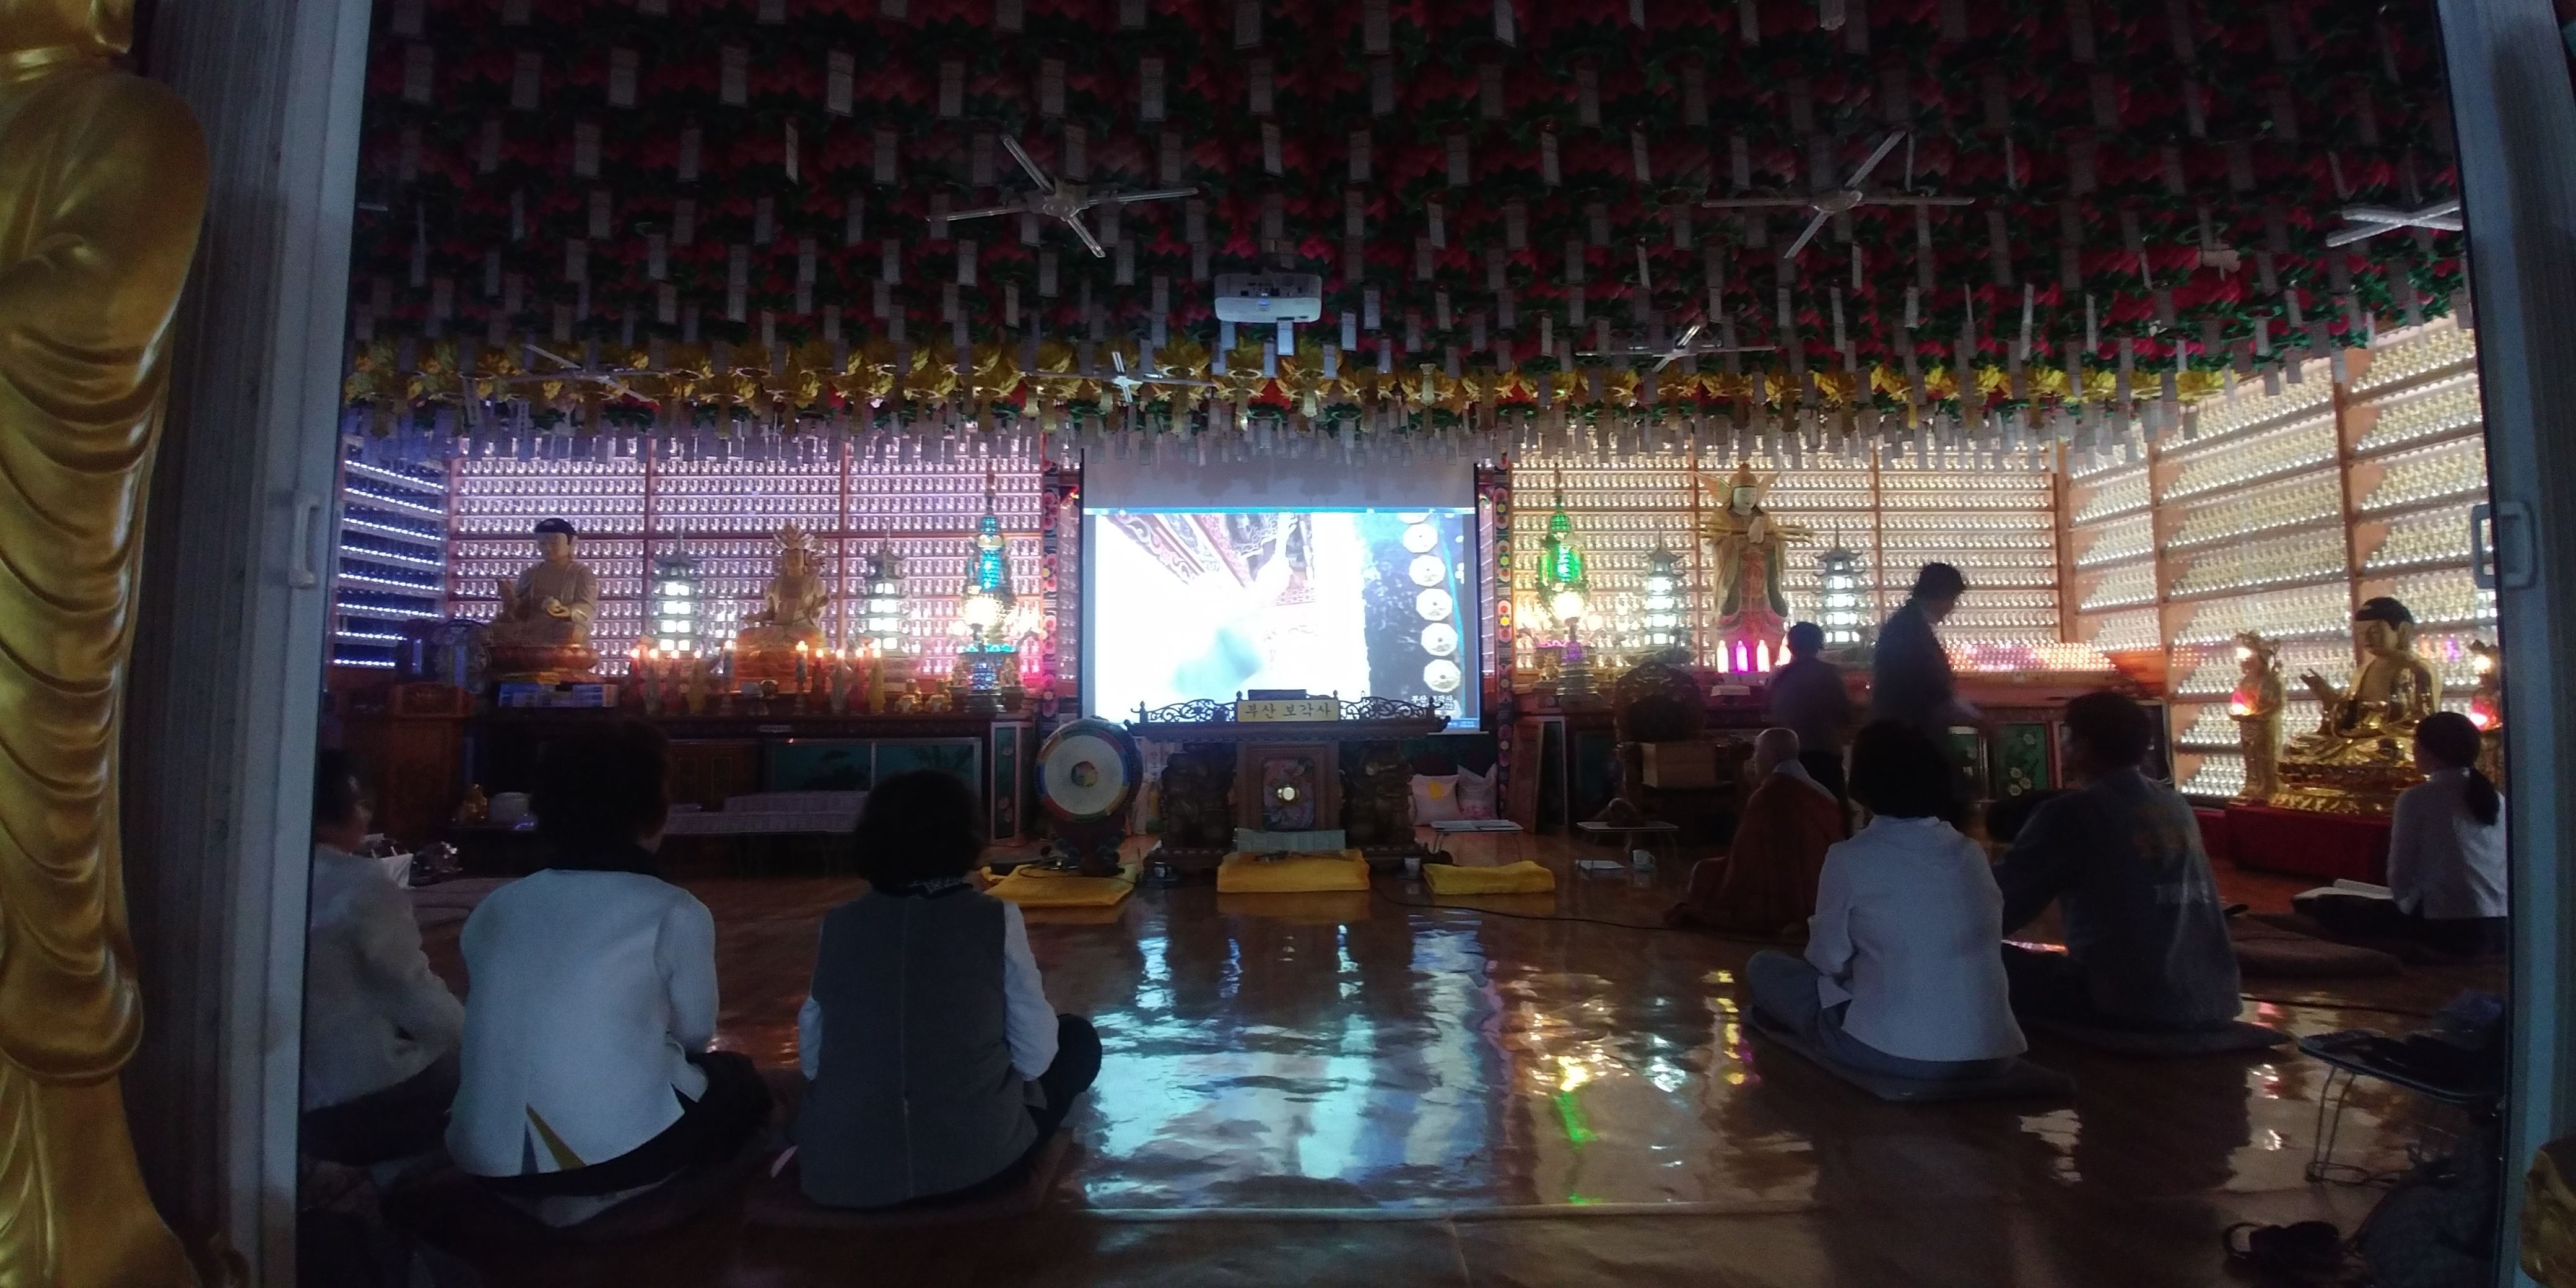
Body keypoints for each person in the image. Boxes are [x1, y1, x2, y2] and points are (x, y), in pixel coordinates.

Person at [446, 722, 771, 1229]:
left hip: (480, 1157)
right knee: (742, 1086)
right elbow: (695, 1035)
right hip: (615, 1154)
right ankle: (621, 1198)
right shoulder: (673, 909)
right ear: (654, 812)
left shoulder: (496, 906)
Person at [791, 770, 1102, 1209]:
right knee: (1076, 1039)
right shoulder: (993, 918)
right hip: (976, 1166)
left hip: (841, 1173)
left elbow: (812, 1061)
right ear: (966, 837)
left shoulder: (840, 923)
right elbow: (1036, 1056)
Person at [1743, 721, 2027, 1081]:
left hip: (1892, 1049)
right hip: (1994, 1051)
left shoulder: (1850, 858)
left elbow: (1826, 960)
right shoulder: (1970, 852)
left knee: (1763, 967)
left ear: (1861, 783)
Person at [1992, 691, 2242, 1032]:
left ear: (2083, 746)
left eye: (2066, 734)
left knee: (1973, 959)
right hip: (2214, 996)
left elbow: (1998, 906)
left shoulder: (2073, 813)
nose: (2062, 743)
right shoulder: (2175, 804)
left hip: (2127, 1000)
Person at [300, 751, 464, 1167]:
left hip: (286, 1090)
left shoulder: (265, 872)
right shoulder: (359, 882)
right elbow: (412, 991)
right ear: (357, 809)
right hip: (351, 1095)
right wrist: (477, 1038)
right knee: (490, 1071)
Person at [2300, 711, 2509, 956]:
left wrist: (2407, 905)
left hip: (2446, 926)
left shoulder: (2417, 798)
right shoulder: (2497, 798)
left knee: (2327, 906)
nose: (2413, 750)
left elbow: (2400, 872)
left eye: (2416, 743)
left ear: (2432, 750)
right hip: (2500, 925)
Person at [1669, 728, 1845, 936]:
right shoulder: (1821, 792)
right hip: (1824, 886)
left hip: (1778, 891)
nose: (1754, 760)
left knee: (1703, 872)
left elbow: (1744, 857)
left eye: (1757, 753)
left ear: (1770, 755)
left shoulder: (1768, 795)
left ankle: (1790, 917)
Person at [1870, 562, 1977, 745]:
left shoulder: (1907, 624)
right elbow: (1927, 686)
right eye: (1953, 599)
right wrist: (1973, 717)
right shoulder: (1910, 630)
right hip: (1910, 734)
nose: (1952, 607)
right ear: (1941, 595)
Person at [1769, 622, 1854, 801]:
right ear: (1820, 645)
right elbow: (1845, 713)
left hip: (1788, 755)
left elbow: (1771, 712)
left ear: (1790, 646)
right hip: (1825, 749)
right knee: (1833, 805)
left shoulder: (1779, 677)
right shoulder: (1829, 674)